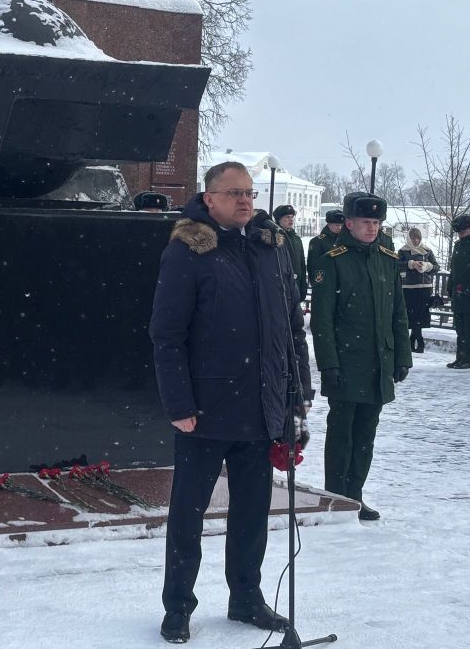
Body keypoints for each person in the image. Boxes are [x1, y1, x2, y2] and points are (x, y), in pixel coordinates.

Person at [150, 161, 312, 644]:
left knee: (252, 512)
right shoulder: (189, 251)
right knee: (188, 514)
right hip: (207, 409)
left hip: (263, 408)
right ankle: (178, 606)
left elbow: (292, 327)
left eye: (249, 192)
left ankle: (246, 597)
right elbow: (167, 335)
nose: (245, 201)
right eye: (234, 193)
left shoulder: (270, 249)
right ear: (209, 198)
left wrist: (298, 395)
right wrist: (179, 404)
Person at [310, 191, 411, 521]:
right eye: (366, 222)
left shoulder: (387, 259)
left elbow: (398, 312)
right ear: (349, 223)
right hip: (346, 361)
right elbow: (322, 319)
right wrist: (329, 363)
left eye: (377, 222)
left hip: (378, 362)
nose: (372, 228)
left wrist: (402, 356)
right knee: (342, 434)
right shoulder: (332, 260)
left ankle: (355, 496)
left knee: (366, 434)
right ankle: (336, 497)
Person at [445, 214, 470, 369]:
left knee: (468, 328)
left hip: (469, 293)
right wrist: (450, 286)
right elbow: (454, 269)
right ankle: (460, 357)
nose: (460, 234)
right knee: (460, 329)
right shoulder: (459, 245)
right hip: (458, 291)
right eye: (459, 232)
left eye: (462, 231)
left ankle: (467, 358)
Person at [398, 227, 439, 354]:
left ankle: (416, 341)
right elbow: (396, 265)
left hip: (424, 287)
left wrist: (427, 266)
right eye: (413, 238)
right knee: (411, 315)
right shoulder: (403, 251)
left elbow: (436, 267)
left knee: (420, 315)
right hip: (408, 288)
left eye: (418, 238)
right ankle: (417, 341)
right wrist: (411, 264)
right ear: (409, 238)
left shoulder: (427, 251)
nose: (416, 240)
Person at [273, 204, 307, 302]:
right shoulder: (275, 238)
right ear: (279, 219)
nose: (291, 220)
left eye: (292, 217)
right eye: (287, 217)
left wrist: (303, 285)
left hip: (296, 285)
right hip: (281, 286)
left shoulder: (296, 238)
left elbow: (301, 263)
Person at [307, 209, 343, 282]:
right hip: (327, 282)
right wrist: (317, 283)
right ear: (329, 224)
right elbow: (313, 265)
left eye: (341, 225)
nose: (339, 228)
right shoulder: (317, 241)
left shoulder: (344, 240)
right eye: (336, 225)